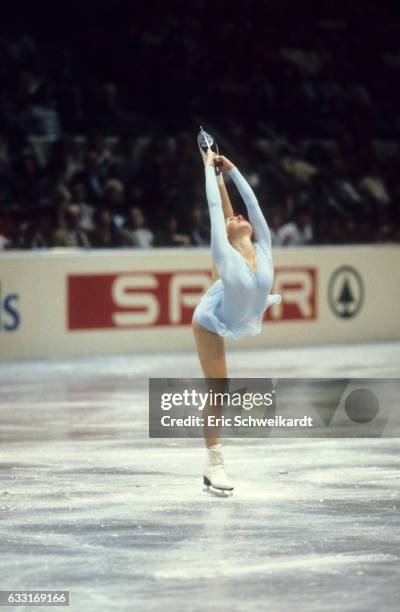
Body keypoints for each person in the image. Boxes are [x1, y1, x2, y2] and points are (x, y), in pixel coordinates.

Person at [192, 142, 281, 494]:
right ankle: (214, 464)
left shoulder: (264, 247)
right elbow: (216, 207)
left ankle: (214, 463)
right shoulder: (223, 252)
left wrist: (230, 171)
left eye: (238, 217)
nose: (238, 217)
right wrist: (206, 170)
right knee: (220, 388)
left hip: (237, 299)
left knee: (225, 274)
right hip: (211, 320)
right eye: (233, 220)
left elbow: (253, 205)